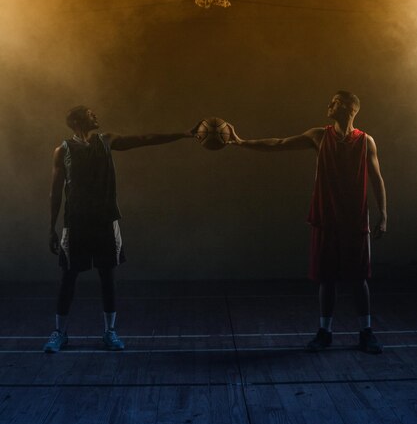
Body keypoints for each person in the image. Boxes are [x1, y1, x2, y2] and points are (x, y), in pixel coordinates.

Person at [228, 91, 387, 354]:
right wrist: (243, 142)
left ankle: (366, 332)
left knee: (359, 279)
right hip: (325, 218)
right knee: (327, 279)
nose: (328, 105)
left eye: (334, 102)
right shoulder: (319, 135)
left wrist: (384, 214)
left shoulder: (366, 141)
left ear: (348, 108)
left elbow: (377, 178)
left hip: (354, 219)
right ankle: (325, 332)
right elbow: (279, 143)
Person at [44, 105, 195, 353]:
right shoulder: (63, 151)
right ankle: (59, 333)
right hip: (76, 222)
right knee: (68, 278)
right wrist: (51, 227)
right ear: (78, 121)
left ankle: (110, 332)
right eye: (91, 113)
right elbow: (55, 190)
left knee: (107, 277)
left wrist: (183, 133)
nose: (96, 115)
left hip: (106, 220)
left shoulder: (106, 140)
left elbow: (144, 139)